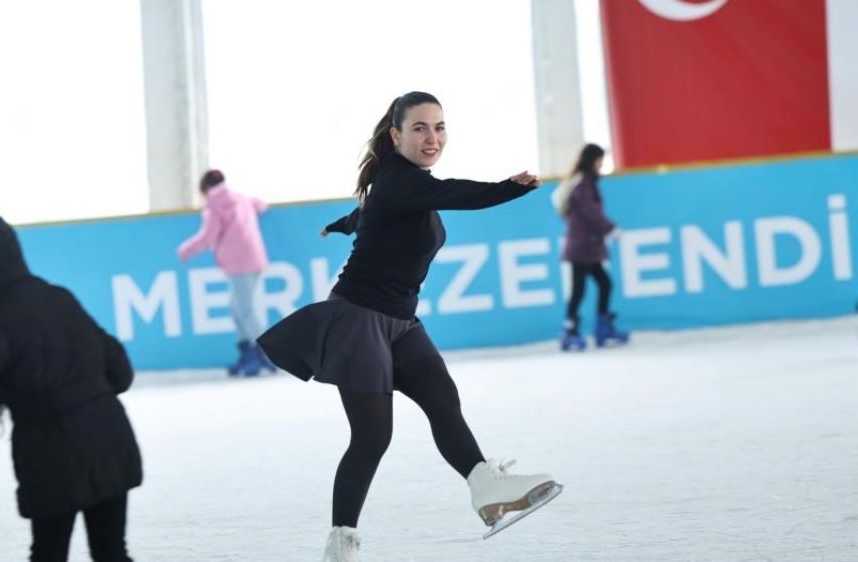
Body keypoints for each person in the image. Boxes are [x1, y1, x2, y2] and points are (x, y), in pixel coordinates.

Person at [257, 92, 563, 561]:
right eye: (420, 128)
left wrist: (344, 222)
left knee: (442, 397)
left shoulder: (402, 187)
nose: (432, 138)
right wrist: (508, 187)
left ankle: (485, 486)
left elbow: (373, 213)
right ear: (396, 135)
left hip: (401, 322)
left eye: (439, 127)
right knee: (373, 437)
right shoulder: (401, 181)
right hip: (358, 320)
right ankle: (342, 543)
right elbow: (454, 194)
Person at [0, 209, 142, 562]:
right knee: (112, 553)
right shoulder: (59, 297)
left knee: (48, 554)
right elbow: (121, 373)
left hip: (52, 454)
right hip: (110, 441)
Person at [177, 170, 277, 376]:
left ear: (204, 189)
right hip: (255, 257)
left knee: (246, 310)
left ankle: (264, 355)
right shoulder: (241, 198)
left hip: (238, 263)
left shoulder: (213, 206)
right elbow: (261, 205)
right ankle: (248, 353)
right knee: (236, 307)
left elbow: (208, 236)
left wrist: (186, 249)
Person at [551, 143, 630, 351]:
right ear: (592, 160)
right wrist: (612, 229)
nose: (602, 164)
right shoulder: (582, 184)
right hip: (581, 246)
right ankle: (570, 329)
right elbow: (590, 213)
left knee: (604, 283)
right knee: (580, 289)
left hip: (588, 245)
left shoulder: (585, 182)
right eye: (600, 160)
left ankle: (601, 327)